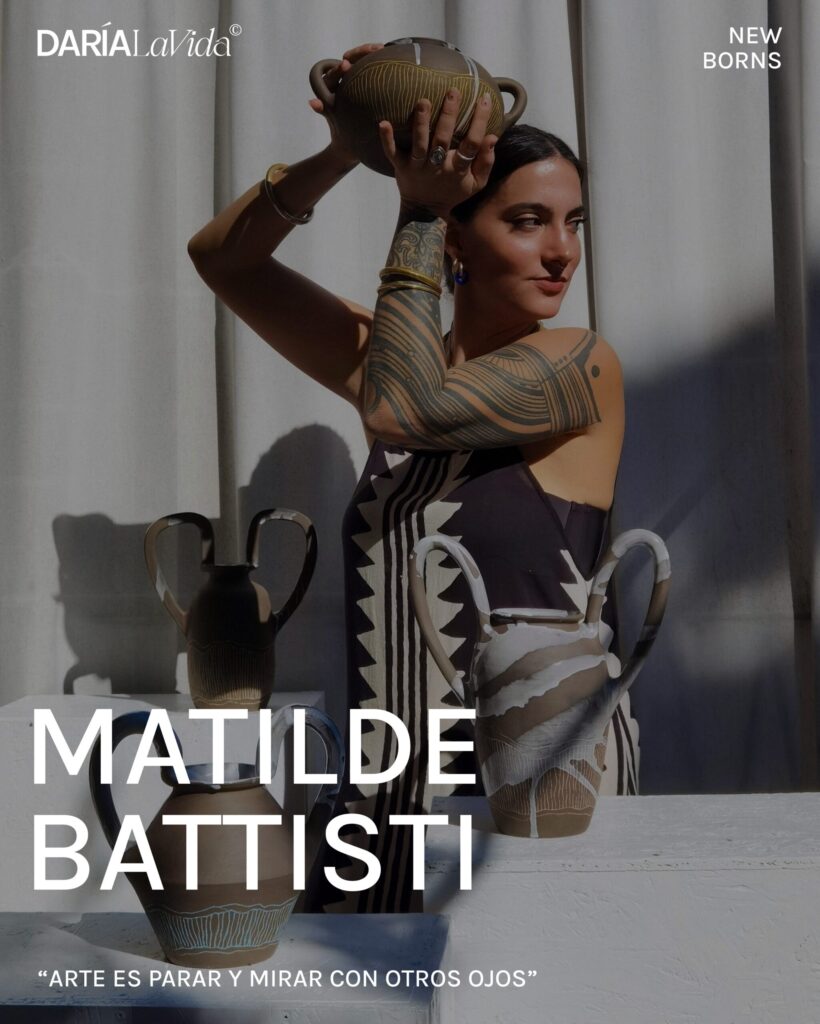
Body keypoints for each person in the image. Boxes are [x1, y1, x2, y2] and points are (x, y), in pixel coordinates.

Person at [187, 44, 638, 914]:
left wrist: (419, 212)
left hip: (538, 805)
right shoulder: (398, 365)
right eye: (529, 221)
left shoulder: (583, 367)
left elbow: (403, 411)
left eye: (573, 222)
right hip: (388, 809)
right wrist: (345, 152)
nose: (562, 252)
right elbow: (222, 261)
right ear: (461, 239)